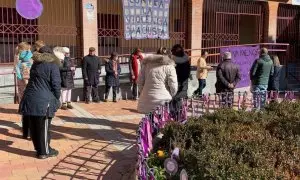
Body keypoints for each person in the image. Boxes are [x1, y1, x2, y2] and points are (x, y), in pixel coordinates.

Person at [19, 45, 61, 159]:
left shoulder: (35, 65)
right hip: (44, 100)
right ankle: (45, 152)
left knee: (34, 126)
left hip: (30, 98)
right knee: (44, 127)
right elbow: (56, 85)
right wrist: (57, 98)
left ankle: (39, 149)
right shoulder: (53, 66)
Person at [137, 47, 178, 114]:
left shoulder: (146, 65)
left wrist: (144, 92)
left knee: (148, 122)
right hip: (162, 100)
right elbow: (173, 86)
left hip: (146, 99)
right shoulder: (170, 67)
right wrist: (170, 95)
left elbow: (139, 82)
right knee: (161, 122)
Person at [14, 42, 33, 139]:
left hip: (21, 90)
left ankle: (25, 132)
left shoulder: (18, 59)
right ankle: (29, 132)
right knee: (30, 110)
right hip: (28, 90)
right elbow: (26, 79)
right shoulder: (25, 63)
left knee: (24, 110)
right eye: (29, 49)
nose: (30, 51)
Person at [170, 44, 190, 118]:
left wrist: (170, 57)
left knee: (177, 105)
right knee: (176, 106)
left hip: (180, 86)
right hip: (180, 85)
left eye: (173, 52)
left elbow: (178, 61)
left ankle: (178, 121)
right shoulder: (184, 58)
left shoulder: (182, 59)